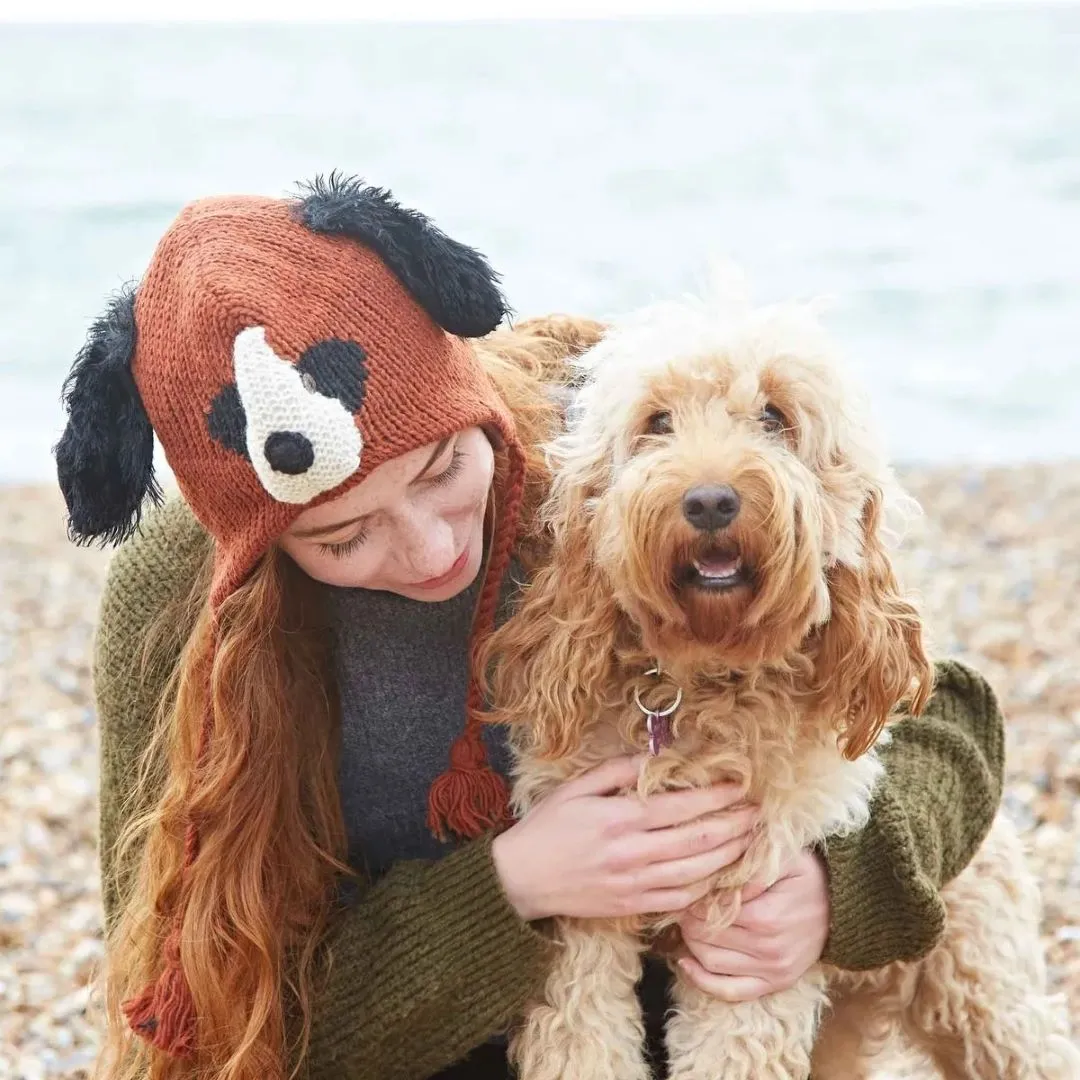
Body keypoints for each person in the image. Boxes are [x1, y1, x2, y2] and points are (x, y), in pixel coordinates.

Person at [56, 174, 1006, 1080]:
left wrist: (832, 885)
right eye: (344, 538)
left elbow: (944, 711)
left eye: (440, 472)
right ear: (256, 546)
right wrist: (508, 888)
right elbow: (189, 1018)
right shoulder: (182, 605)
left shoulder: (609, 427)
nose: (430, 551)